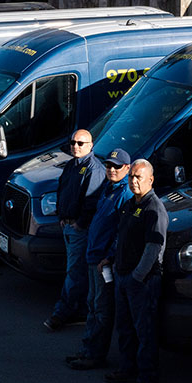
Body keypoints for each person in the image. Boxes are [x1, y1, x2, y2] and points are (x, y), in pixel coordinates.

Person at [66, 148, 131, 370]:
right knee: (92, 305)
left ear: (127, 169)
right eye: (109, 166)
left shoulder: (125, 194)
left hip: (104, 261)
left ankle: (95, 355)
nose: (111, 170)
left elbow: (122, 232)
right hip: (93, 256)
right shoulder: (108, 188)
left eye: (117, 167)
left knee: (101, 307)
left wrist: (109, 256)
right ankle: (87, 349)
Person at [107, 159, 167, 383]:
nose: (133, 181)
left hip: (142, 281)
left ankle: (147, 379)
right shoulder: (131, 204)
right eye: (131, 176)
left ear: (150, 180)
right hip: (122, 275)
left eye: (138, 177)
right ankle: (126, 369)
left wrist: (136, 277)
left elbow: (154, 248)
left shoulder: (154, 209)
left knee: (145, 332)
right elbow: (122, 237)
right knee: (124, 327)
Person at [44, 129, 105, 331]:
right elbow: (62, 190)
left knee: (74, 271)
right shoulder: (71, 165)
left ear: (90, 145)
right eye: (73, 142)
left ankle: (62, 313)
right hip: (68, 225)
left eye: (80, 143)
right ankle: (80, 311)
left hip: (80, 229)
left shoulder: (94, 169)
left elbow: (92, 200)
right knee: (76, 271)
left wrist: (80, 223)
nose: (75, 146)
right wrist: (62, 216)